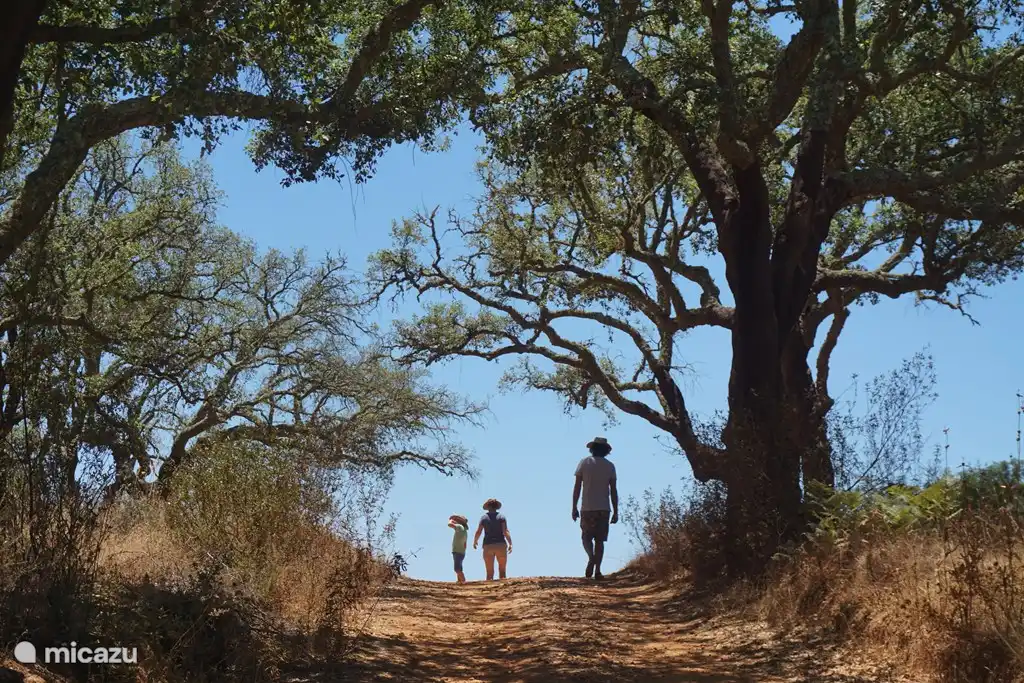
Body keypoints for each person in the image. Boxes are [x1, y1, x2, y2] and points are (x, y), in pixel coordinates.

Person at [572, 436, 618, 580]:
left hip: (587, 507)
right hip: (604, 508)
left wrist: (574, 507)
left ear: (592, 449)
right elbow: (613, 491)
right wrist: (616, 511)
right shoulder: (610, 466)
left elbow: (577, 487)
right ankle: (597, 570)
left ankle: (591, 558)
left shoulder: (584, 463)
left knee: (586, 537)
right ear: (606, 451)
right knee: (600, 540)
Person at [472, 498, 512, 580]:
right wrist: (510, 543)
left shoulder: (484, 518)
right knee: (502, 571)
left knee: (489, 572)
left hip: (488, 545)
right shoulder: (501, 517)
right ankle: (502, 587)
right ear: (496, 507)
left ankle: (489, 587)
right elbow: (505, 531)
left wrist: (475, 541)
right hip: (500, 545)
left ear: (488, 507)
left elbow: (478, 531)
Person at [448, 514, 469, 584]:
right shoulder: (465, 530)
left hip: (457, 551)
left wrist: (451, 520)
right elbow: (465, 544)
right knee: (459, 567)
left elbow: (449, 525)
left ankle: (463, 581)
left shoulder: (459, 526)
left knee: (457, 569)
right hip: (461, 552)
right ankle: (460, 582)